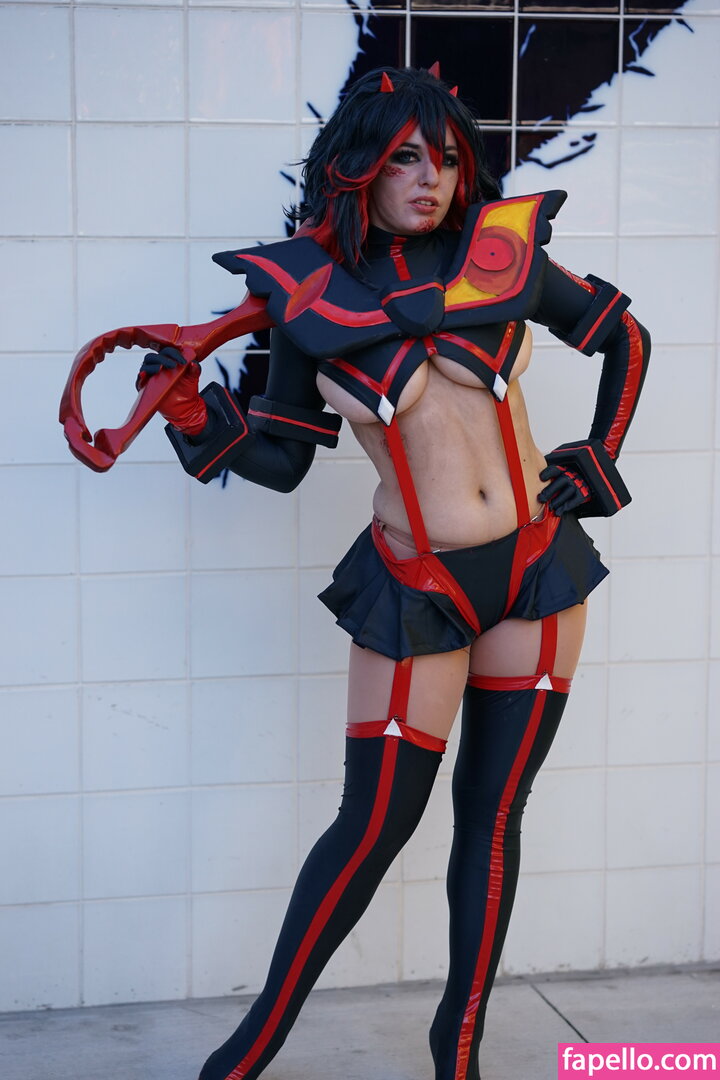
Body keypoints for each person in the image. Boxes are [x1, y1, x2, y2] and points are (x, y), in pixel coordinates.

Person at [139, 66, 649, 1080]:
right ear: (357, 166)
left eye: (448, 159)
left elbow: (622, 337)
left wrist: (602, 453)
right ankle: (248, 1051)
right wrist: (194, 417)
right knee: (372, 826)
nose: (432, 179)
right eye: (406, 157)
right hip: (419, 586)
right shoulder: (305, 299)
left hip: (537, 570)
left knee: (492, 821)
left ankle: (456, 1049)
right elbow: (283, 461)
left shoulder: (499, 259)